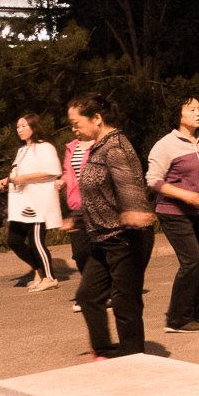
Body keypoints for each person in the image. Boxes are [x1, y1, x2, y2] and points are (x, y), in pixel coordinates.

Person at [68, 93, 157, 358]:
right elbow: (96, 191)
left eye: (76, 122)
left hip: (125, 237)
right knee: (88, 295)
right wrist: (77, 219)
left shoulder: (115, 146)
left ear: (97, 118)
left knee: (124, 300)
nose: (74, 129)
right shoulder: (97, 146)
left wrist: (134, 210)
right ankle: (104, 350)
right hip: (102, 237)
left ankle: (133, 357)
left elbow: (129, 184)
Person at [146, 97, 199, 333]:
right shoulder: (165, 145)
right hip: (174, 212)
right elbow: (153, 180)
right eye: (192, 109)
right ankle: (177, 318)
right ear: (179, 115)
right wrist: (185, 195)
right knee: (192, 261)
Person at [0, 113, 64, 292]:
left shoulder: (45, 147)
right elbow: (18, 173)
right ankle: (39, 271)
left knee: (36, 241)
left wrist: (24, 178)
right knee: (14, 240)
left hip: (36, 203)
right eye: (18, 126)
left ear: (34, 127)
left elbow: (53, 171)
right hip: (20, 203)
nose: (20, 130)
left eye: (24, 126)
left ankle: (49, 277)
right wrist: (7, 179)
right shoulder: (22, 150)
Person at [59, 130, 96, 313]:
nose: (74, 128)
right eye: (71, 124)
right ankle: (91, 291)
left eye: (77, 122)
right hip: (77, 205)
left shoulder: (101, 144)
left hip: (98, 204)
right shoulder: (71, 147)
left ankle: (96, 294)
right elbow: (68, 172)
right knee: (80, 253)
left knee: (100, 250)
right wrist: (62, 181)